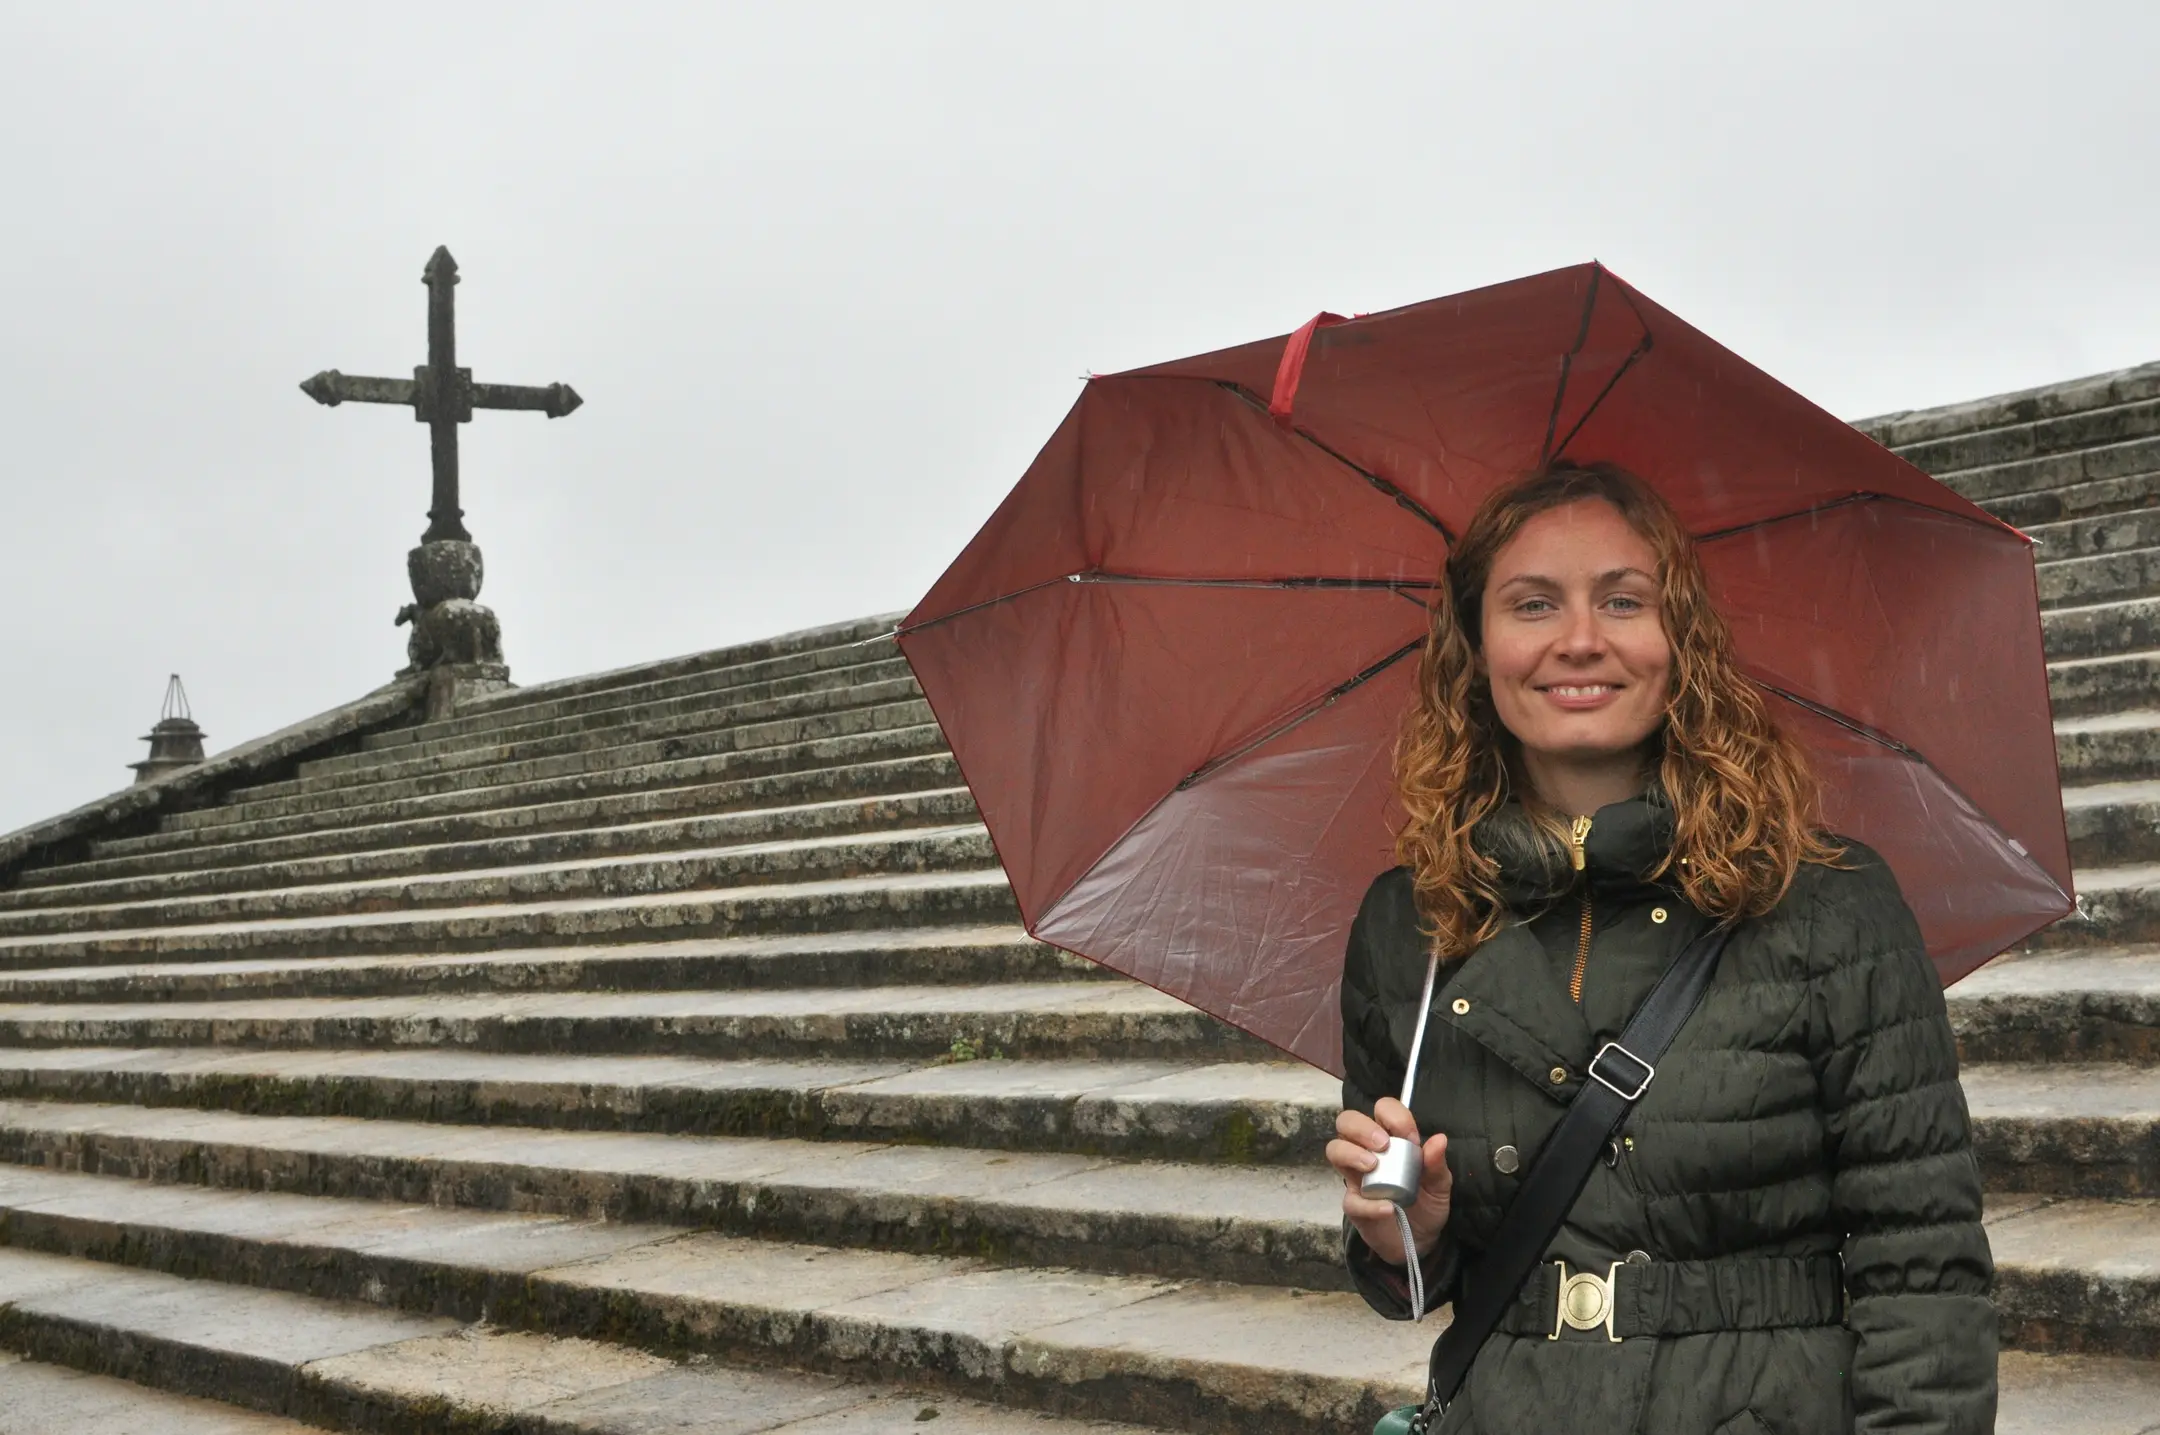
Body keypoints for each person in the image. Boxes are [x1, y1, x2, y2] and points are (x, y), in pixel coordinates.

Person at [1326, 463, 1996, 1435]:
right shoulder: (1411, 924)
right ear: (1474, 645)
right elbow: (1421, 1283)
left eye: (1624, 599)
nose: (1580, 639)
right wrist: (1407, 1236)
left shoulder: (1827, 899)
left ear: (1681, 638)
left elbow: (1923, 1258)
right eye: (1533, 603)